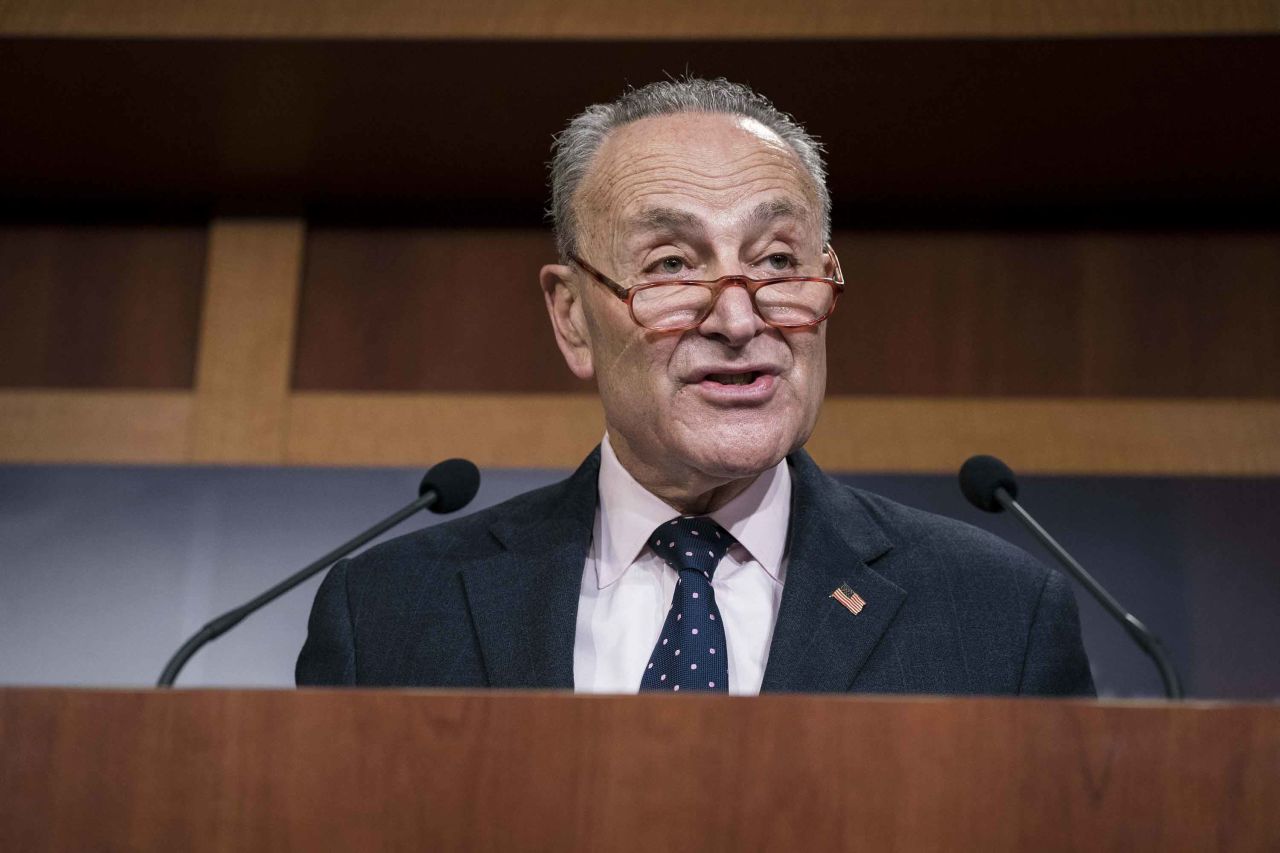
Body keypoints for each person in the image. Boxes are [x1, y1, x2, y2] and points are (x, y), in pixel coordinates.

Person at [296, 78, 1094, 696]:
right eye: (673, 265)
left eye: (779, 261)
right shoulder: (389, 612)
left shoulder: (999, 614)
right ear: (572, 318)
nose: (739, 318)